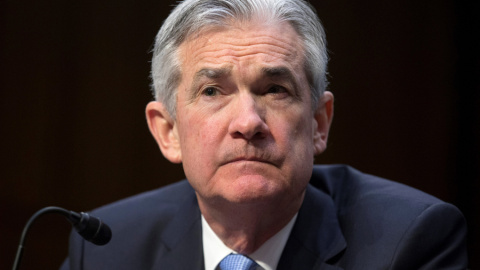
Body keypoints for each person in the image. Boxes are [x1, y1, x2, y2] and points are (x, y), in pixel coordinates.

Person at [60, 0, 468, 269]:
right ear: (168, 132)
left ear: (318, 123)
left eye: (275, 89)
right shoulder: (105, 249)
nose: (248, 122)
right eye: (212, 91)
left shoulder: (410, 243)